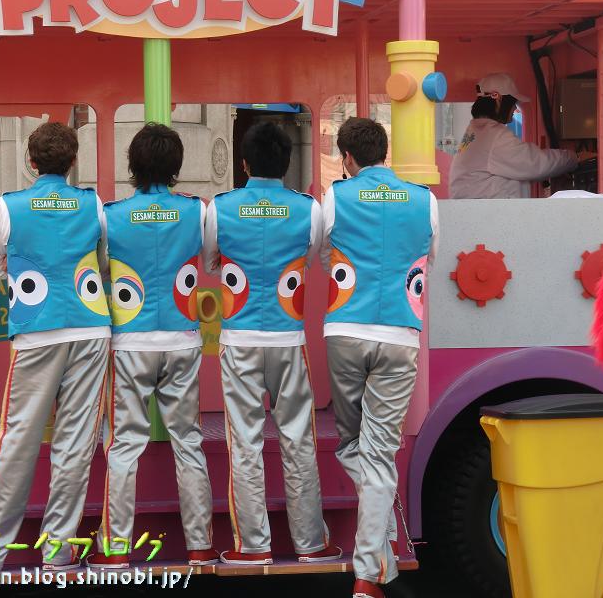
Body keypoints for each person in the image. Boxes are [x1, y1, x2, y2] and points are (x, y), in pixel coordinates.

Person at [0, 122, 112, 572]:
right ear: (73, 161)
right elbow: (102, 263)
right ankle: (59, 551)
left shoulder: (9, 206)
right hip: (91, 328)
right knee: (75, 443)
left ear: (31, 162)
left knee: (18, 438)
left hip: (36, 331)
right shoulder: (93, 203)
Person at [204, 121, 342, 565]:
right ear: (286, 163)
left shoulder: (219, 208)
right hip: (289, 339)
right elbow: (315, 258)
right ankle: (311, 543)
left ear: (244, 164)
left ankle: (252, 545)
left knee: (244, 442)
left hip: (238, 339)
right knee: (298, 438)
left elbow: (210, 263)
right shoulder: (309, 209)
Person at [89, 123, 217, 569]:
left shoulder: (112, 215)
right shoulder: (197, 211)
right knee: (189, 441)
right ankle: (200, 544)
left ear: (133, 165)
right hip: (183, 339)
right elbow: (209, 261)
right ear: (177, 165)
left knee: (124, 445)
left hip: (129, 342)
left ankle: (116, 548)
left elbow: (101, 267)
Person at [321, 117, 438, 598]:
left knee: (352, 443)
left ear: (347, 157)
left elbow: (322, 252)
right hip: (400, 334)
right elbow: (430, 254)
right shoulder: (424, 200)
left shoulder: (336, 197)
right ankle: (373, 565)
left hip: (345, 331)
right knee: (378, 452)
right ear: (384, 152)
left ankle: (369, 570)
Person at [449, 72, 578, 199]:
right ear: (499, 99)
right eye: (512, 102)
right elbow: (534, 163)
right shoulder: (495, 136)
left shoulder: (476, 131)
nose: (514, 108)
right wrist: (573, 158)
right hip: (492, 211)